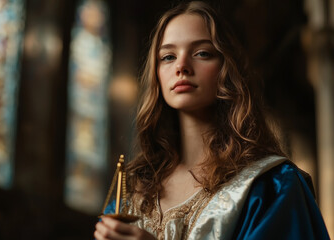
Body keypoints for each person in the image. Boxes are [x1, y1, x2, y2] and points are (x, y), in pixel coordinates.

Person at [94, 1, 330, 239]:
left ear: (227, 68)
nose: (181, 66)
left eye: (202, 53)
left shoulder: (272, 185)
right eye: (168, 56)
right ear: (156, 72)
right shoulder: (132, 191)